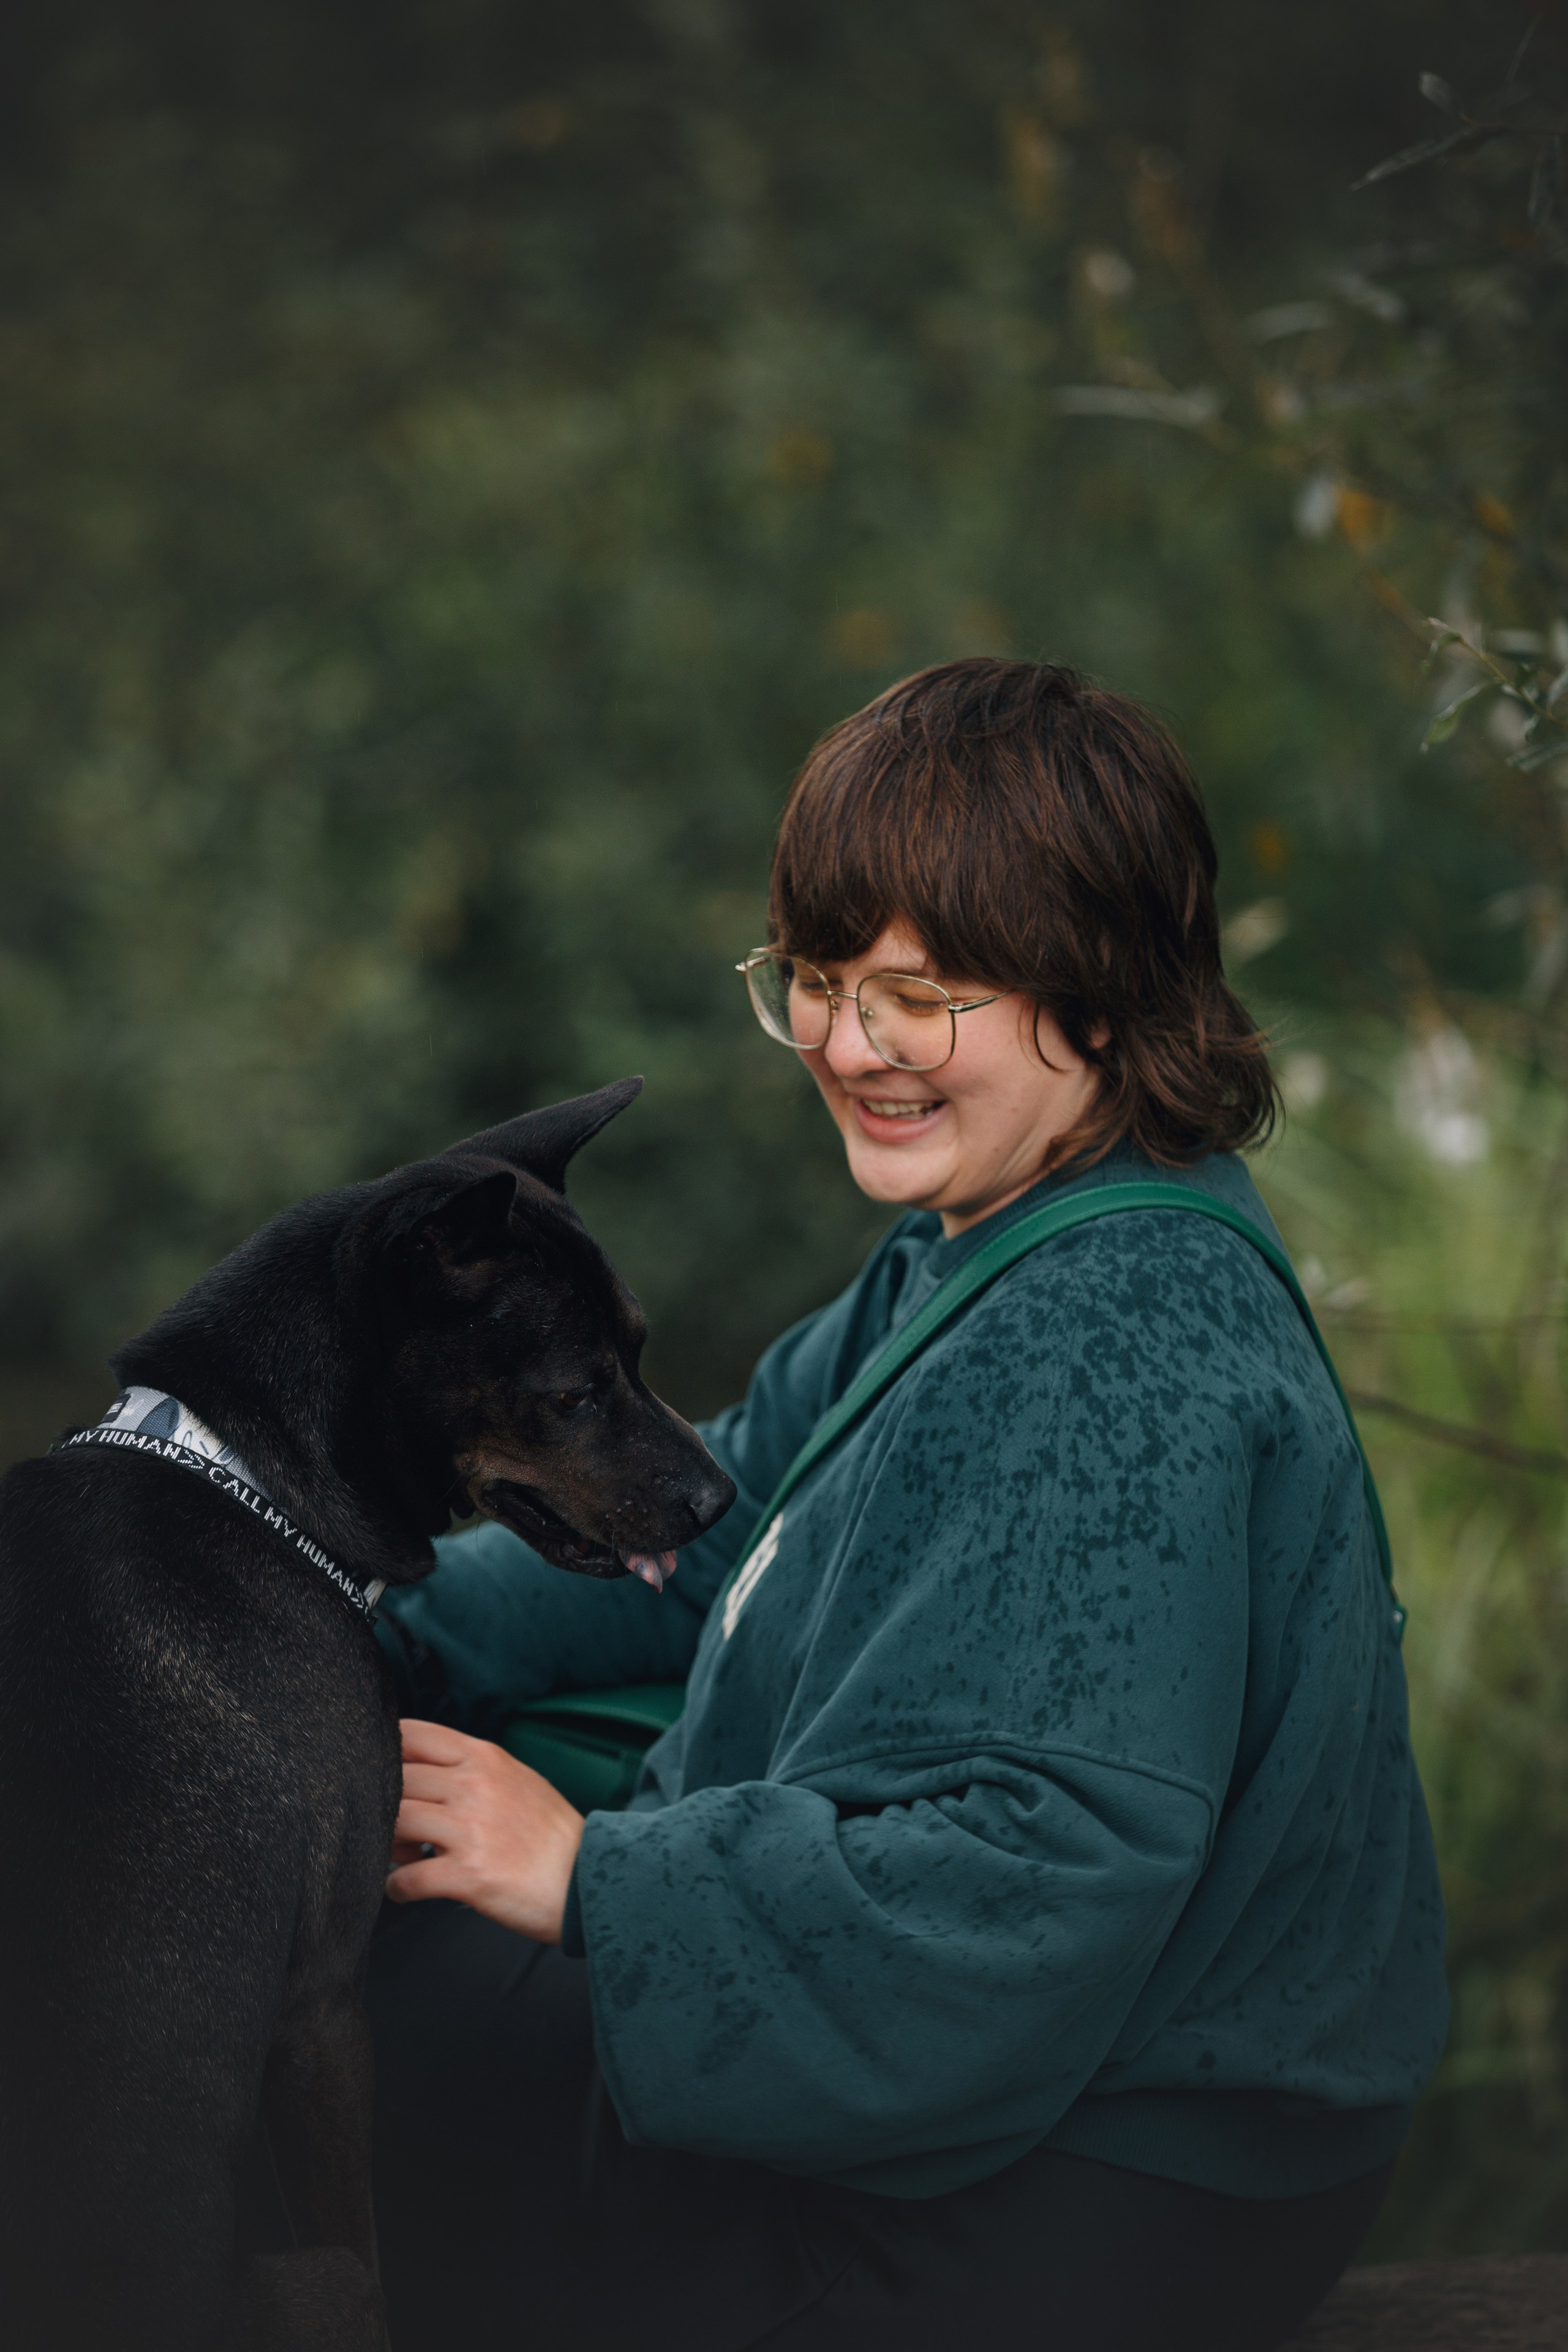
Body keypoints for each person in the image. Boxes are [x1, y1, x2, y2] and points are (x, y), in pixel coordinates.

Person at [365, 659, 1448, 2352]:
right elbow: (715, 1531)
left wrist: (591, 1881)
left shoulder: (1118, 1352)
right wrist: (377, 1644)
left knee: (388, 2003)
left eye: (920, 994)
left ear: (1099, 994)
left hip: (1101, 2188)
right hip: (1055, 2105)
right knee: (392, 1867)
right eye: (813, 978)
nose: (848, 1045)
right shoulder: (978, 1252)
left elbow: (1032, 1877)